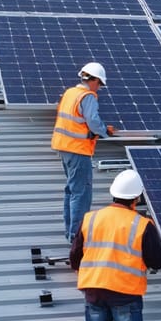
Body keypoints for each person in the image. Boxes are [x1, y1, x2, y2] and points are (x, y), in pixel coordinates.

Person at [70, 169, 161, 321]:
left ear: (113, 193)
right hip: (125, 294)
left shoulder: (91, 218)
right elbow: (157, 261)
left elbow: (75, 256)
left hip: (93, 291)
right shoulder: (141, 224)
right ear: (137, 197)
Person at [51, 62, 115, 242]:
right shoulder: (88, 96)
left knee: (71, 191)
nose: (99, 88)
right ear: (93, 80)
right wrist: (104, 132)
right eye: (99, 84)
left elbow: (73, 120)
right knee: (81, 194)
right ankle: (77, 238)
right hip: (78, 149)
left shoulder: (70, 92)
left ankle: (70, 233)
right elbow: (93, 121)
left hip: (64, 147)